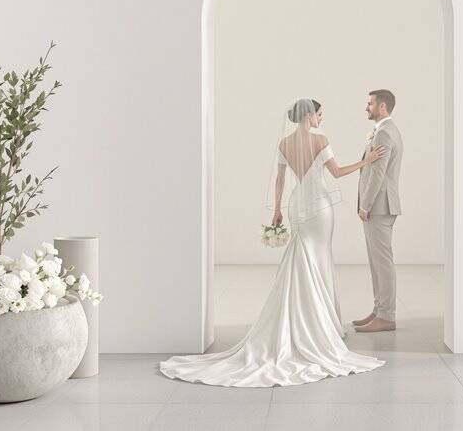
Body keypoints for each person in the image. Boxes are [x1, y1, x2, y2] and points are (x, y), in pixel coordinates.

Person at [159, 98, 387, 387]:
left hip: (296, 205)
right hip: (319, 206)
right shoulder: (320, 140)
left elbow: (280, 179)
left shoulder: (284, 143)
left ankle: (307, 321)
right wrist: (367, 161)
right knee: (320, 257)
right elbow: (338, 173)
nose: (321, 119)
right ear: (309, 116)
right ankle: (323, 325)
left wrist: (278, 210)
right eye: (319, 114)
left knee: (303, 255)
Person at [353, 89, 403, 333]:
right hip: (381, 205)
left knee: (382, 262)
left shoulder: (384, 133)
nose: (366, 107)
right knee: (376, 261)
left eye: (370, 103)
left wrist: (365, 205)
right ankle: (379, 309)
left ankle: (386, 315)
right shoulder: (383, 131)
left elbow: (378, 173)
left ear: (382, 106)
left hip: (379, 206)